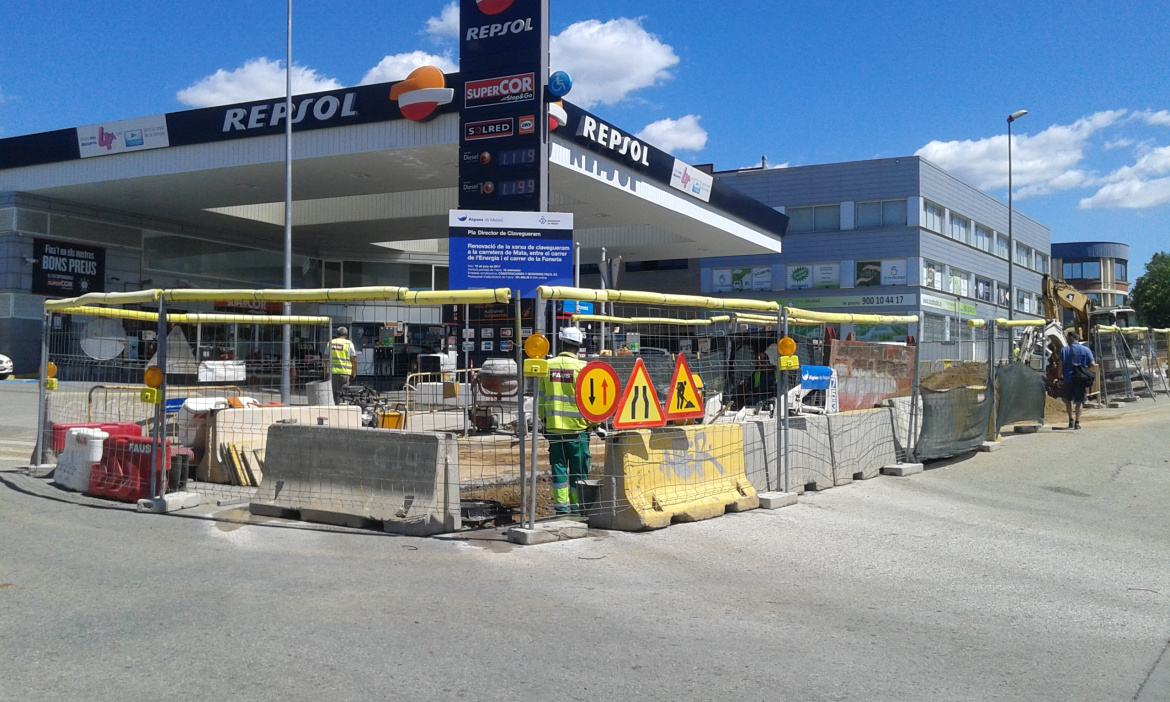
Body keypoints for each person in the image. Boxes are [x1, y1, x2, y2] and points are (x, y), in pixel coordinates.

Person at [538, 327, 594, 515]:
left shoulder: (547, 366)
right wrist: (595, 425)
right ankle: (578, 508)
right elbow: (591, 401)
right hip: (579, 430)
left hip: (554, 429)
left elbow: (541, 398)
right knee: (578, 472)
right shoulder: (584, 368)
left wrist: (544, 420)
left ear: (561, 342)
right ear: (579, 345)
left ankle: (561, 508)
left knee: (559, 469)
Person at [1059, 330, 1095, 430]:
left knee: (1068, 400)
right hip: (1080, 379)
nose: (1066, 340)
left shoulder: (1064, 351)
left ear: (1071, 338)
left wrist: (1059, 377)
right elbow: (1092, 364)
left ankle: (1070, 420)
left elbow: (1060, 365)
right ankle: (1077, 423)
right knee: (1079, 401)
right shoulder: (1086, 350)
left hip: (1068, 379)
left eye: (1067, 338)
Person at [330, 326, 358, 403]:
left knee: (334, 393)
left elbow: (326, 358)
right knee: (344, 394)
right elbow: (354, 359)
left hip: (333, 373)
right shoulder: (349, 343)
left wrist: (325, 372)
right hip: (345, 373)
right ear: (346, 335)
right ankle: (342, 409)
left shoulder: (331, 342)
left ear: (337, 334)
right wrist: (354, 372)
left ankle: (335, 408)